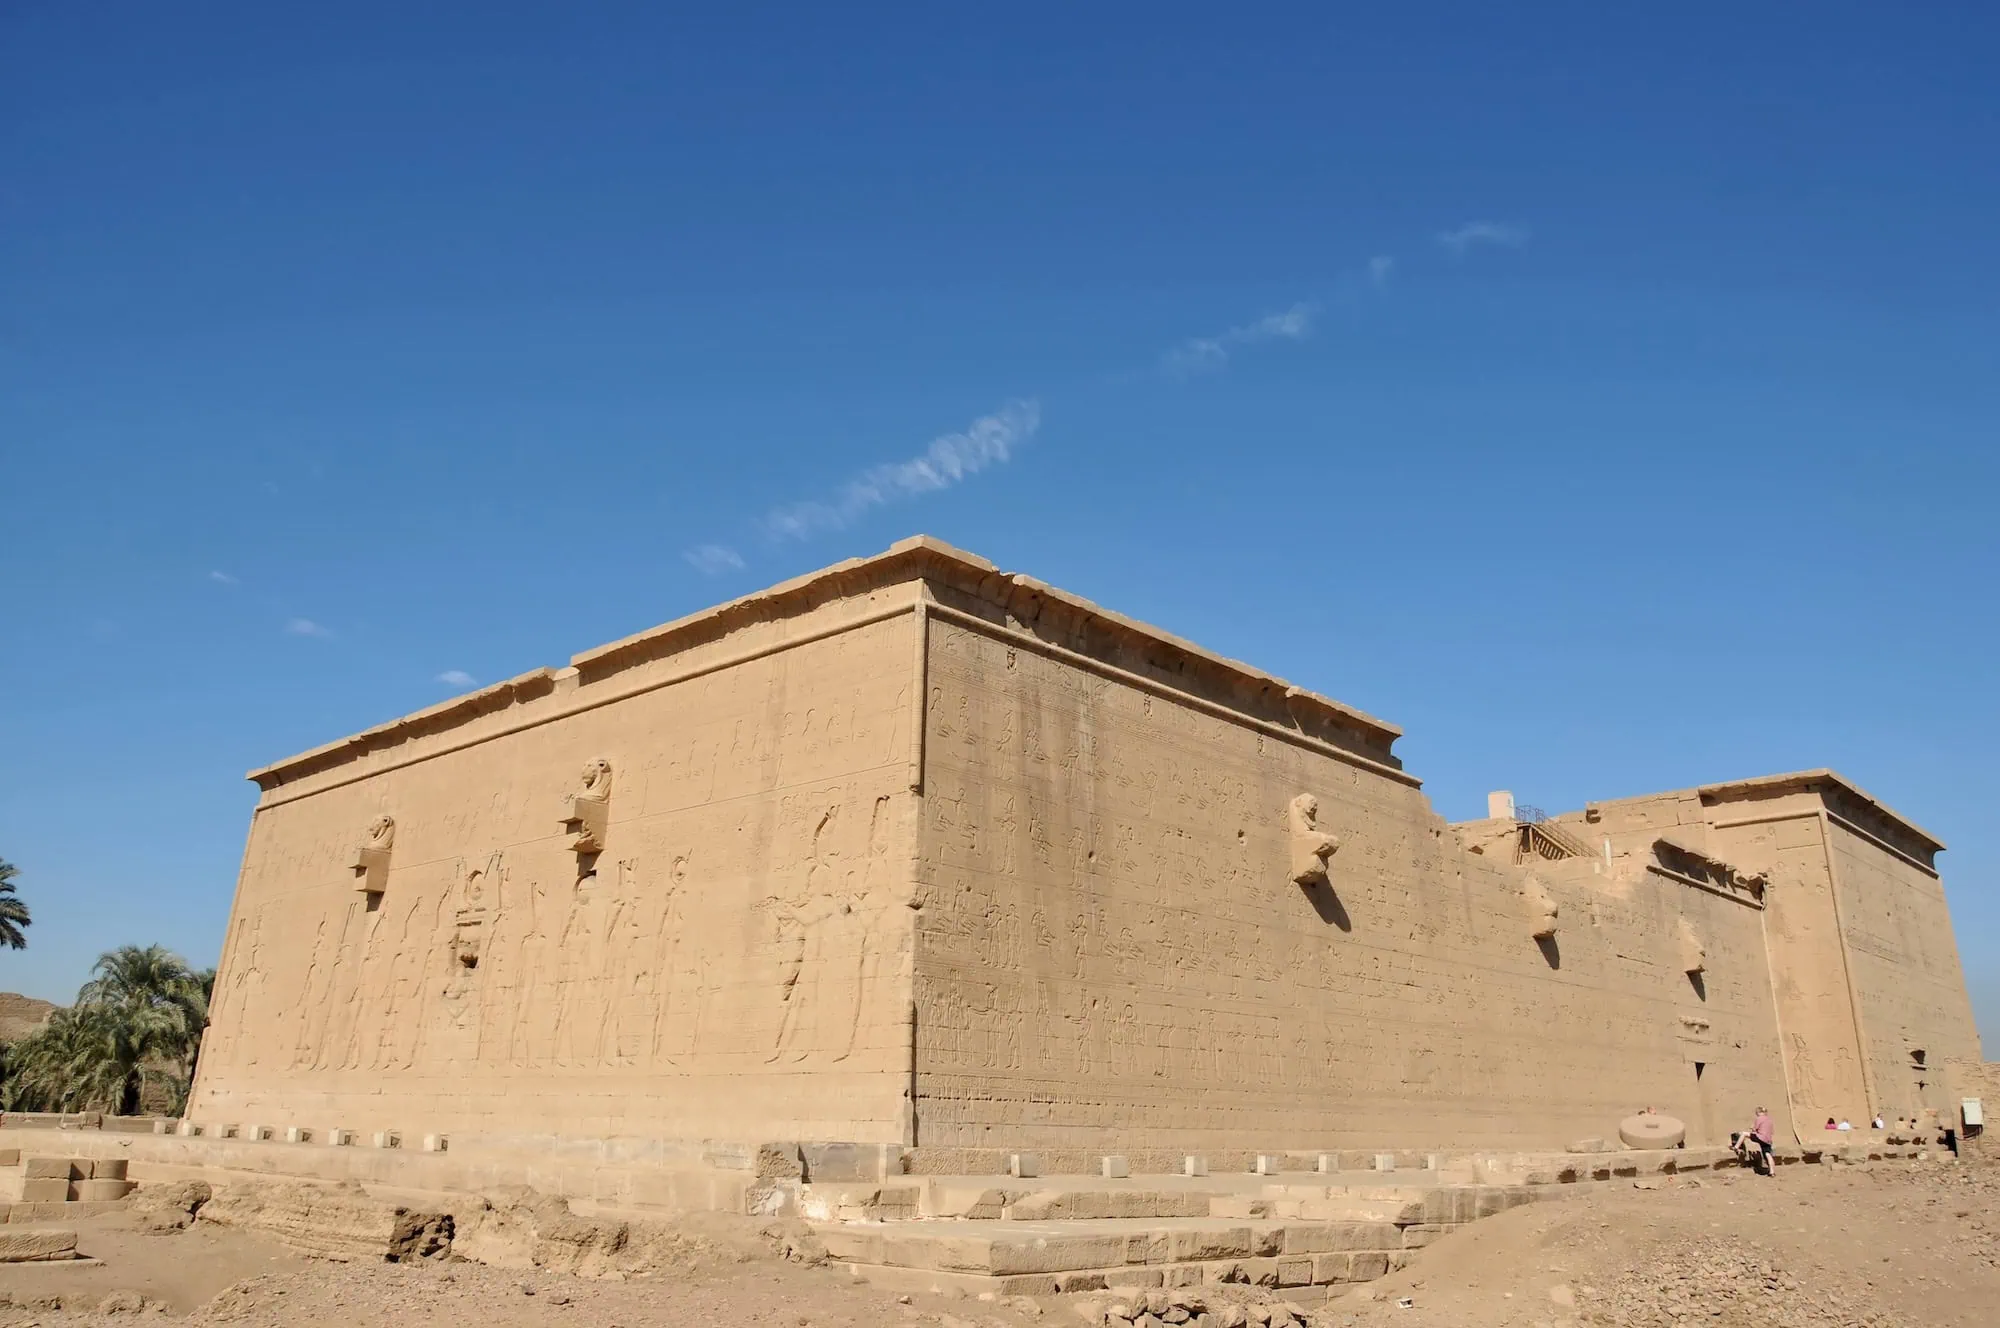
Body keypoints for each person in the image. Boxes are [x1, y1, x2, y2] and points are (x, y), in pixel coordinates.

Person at [1751, 1106, 1775, 1175]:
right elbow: (1772, 1131)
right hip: (1768, 1140)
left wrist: (1752, 1128)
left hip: (1761, 1137)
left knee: (1745, 1134)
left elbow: (1755, 1129)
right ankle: (1772, 1171)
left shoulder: (1759, 1118)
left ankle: (1736, 1147)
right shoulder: (1769, 1119)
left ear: (1759, 1112)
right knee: (1768, 1154)